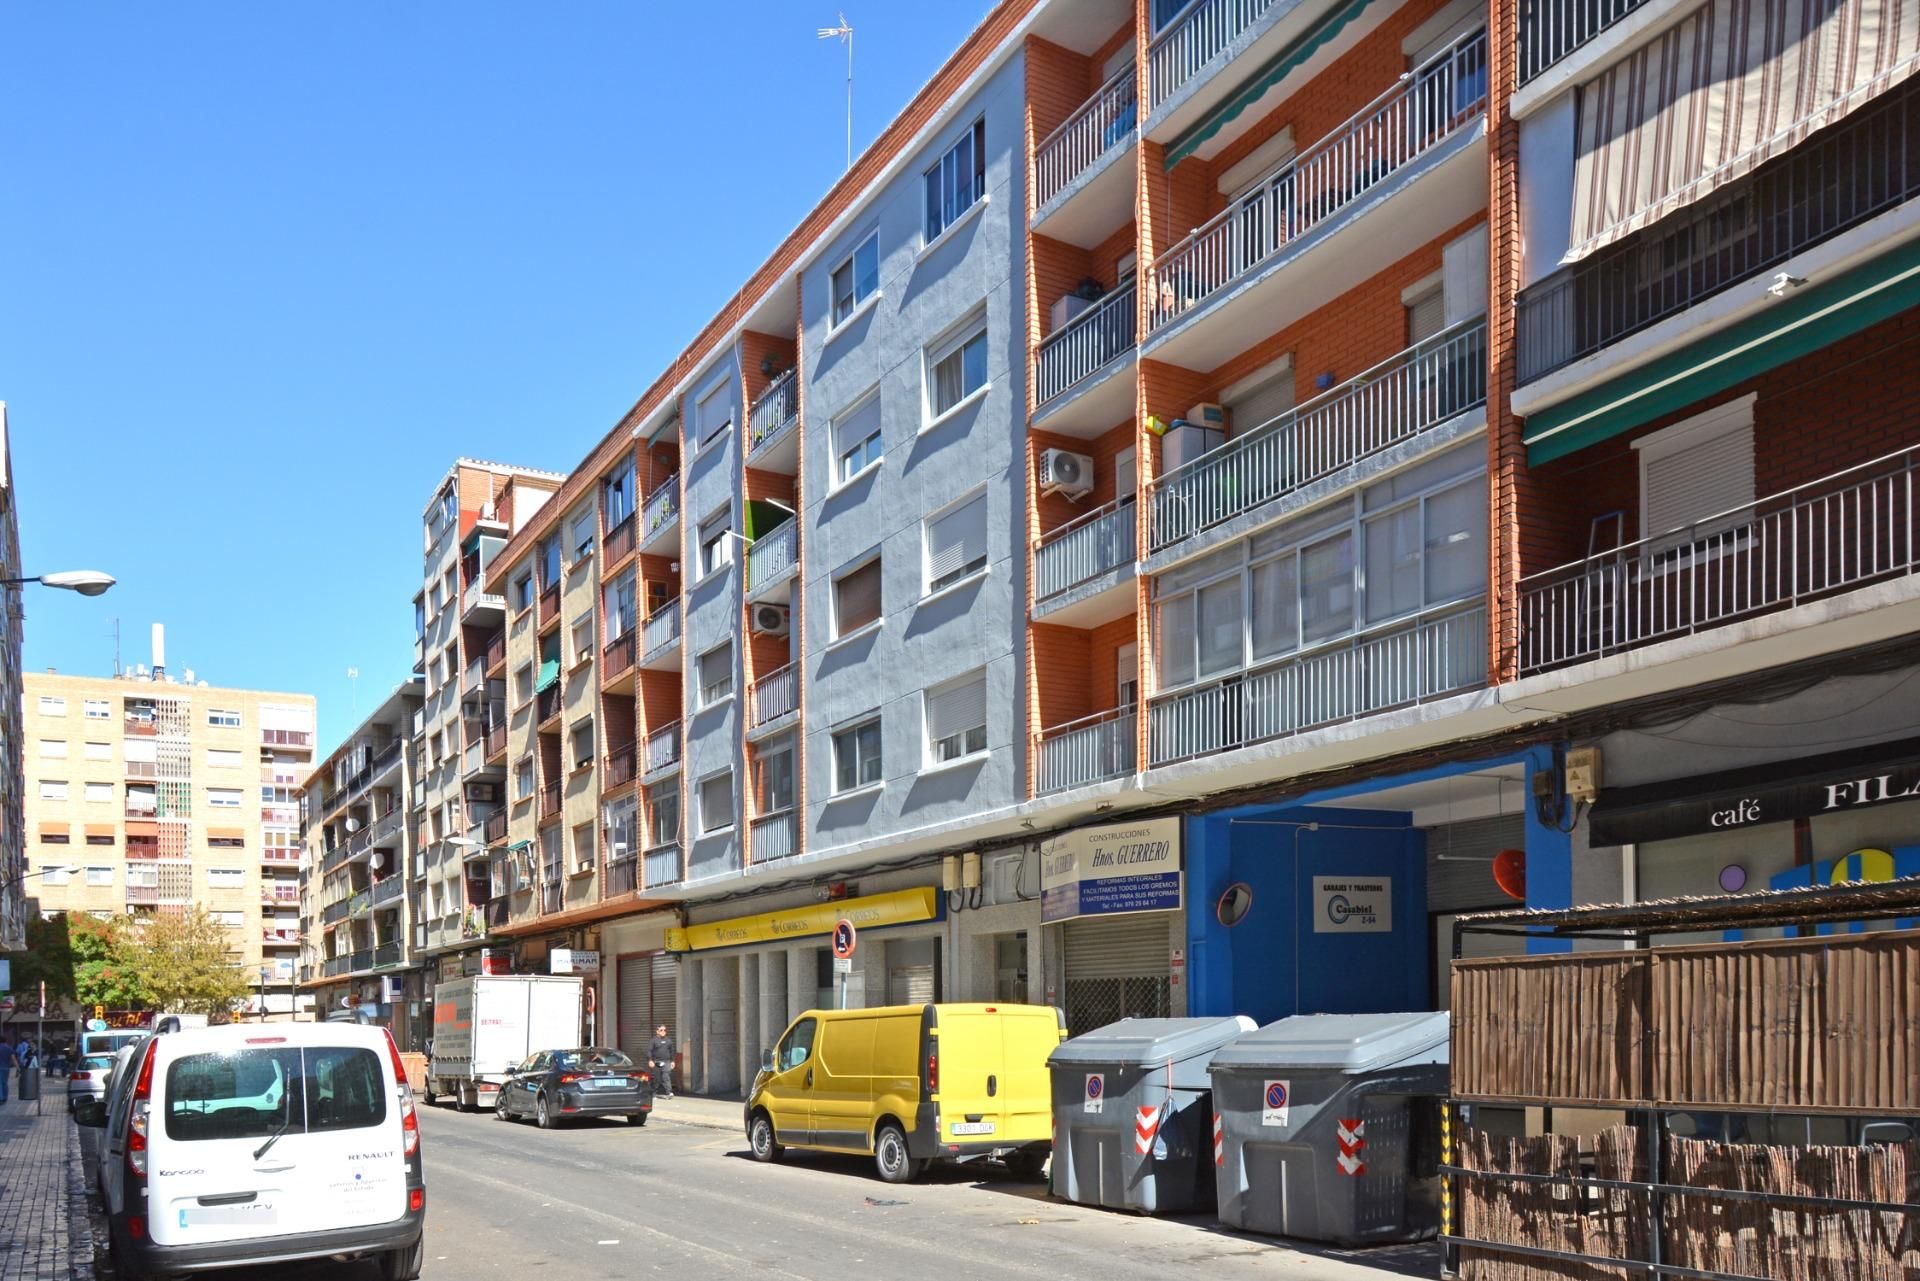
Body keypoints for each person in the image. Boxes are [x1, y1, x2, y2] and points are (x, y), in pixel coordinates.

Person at [646, 1024, 675, 1099]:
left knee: (666, 1076)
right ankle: (654, 1093)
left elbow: (672, 1051)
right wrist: (650, 1060)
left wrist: (672, 1061)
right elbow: (649, 1051)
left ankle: (669, 1092)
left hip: (666, 1061)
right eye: (661, 1030)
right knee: (657, 1078)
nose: (663, 1031)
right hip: (657, 1062)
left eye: (664, 1030)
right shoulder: (653, 1040)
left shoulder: (668, 1040)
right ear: (657, 1031)